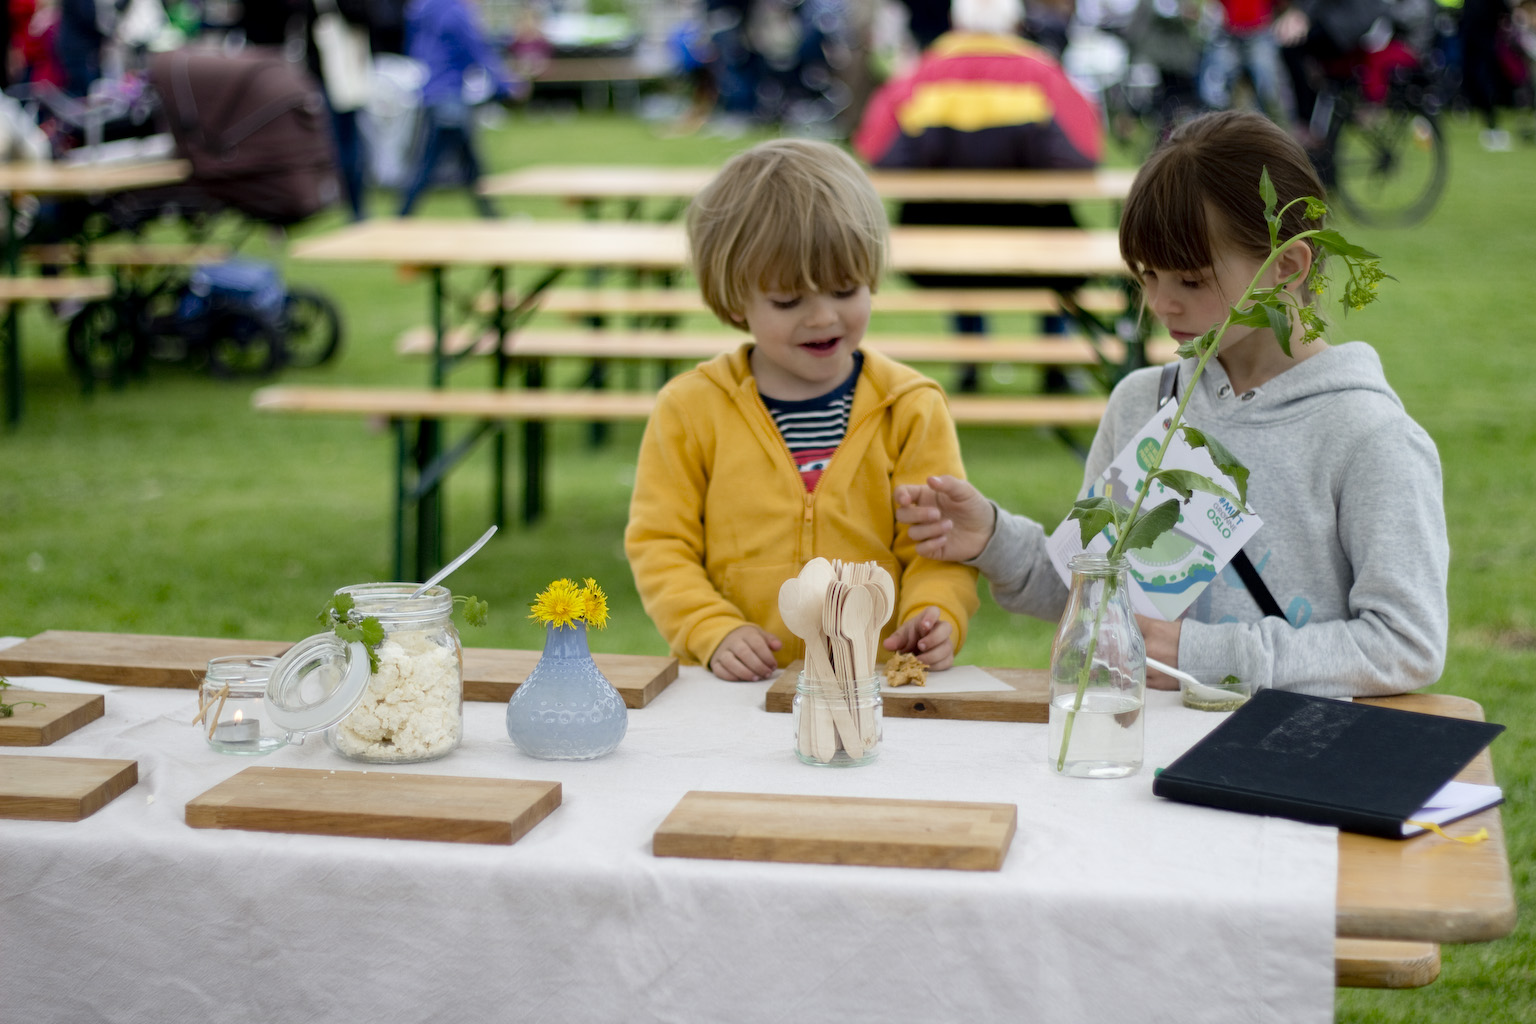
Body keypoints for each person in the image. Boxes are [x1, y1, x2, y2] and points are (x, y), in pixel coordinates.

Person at [895, 110, 1448, 699]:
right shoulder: (1144, 402)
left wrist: (1201, 655)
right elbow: (1098, 598)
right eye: (1147, 275)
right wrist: (993, 539)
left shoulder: (1368, 437)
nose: (1161, 303)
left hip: (1290, 766)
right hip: (1141, 764)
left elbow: (1407, 644)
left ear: (1286, 266)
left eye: (1189, 279)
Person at [624, 138, 980, 682]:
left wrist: (934, 615)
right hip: (740, 692)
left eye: (844, 290)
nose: (822, 318)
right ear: (734, 297)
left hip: (874, 688)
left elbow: (936, 547)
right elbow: (660, 544)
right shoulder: (690, 409)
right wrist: (710, 627)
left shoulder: (909, 408)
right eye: (789, 301)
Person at [852, 0, 1103, 393]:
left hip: (942, 249)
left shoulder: (921, 76)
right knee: (1065, 242)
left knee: (956, 242)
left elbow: (880, 154)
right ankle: (1055, 359)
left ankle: (971, 358)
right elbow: (1082, 157)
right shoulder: (1043, 75)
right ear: (1016, 22)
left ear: (956, 21)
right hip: (1036, 245)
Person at [397, 0, 519, 218]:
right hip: (449, 95)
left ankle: (491, 217)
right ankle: (400, 218)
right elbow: (476, 50)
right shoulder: (456, 12)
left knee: (467, 163)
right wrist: (507, 85)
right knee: (428, 164)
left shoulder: (420, 8)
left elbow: (412, 46)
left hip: (430, 89)